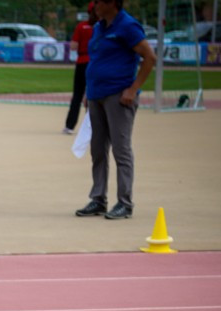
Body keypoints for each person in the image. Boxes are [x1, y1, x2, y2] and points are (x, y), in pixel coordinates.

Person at [75, 0, 156, 221]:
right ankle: (98, 199)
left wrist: (133, 89)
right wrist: (88, 92)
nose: (94, 6)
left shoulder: (128, 26)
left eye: (98, 2)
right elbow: (98, 60)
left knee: (121, 150)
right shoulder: (100, 27)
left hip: (119, 97)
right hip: (96, 95)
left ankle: (125, 203)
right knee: (98, 150)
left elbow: (149, 57)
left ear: (112, 2)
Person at [64, 3, 97, 134]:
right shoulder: (103, 27)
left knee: (77, 95)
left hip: (82, 61)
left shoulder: (81, 26)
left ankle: (70, 126)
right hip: (96, 63)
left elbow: (73, 46)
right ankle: (93, 126)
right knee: (94, 96)